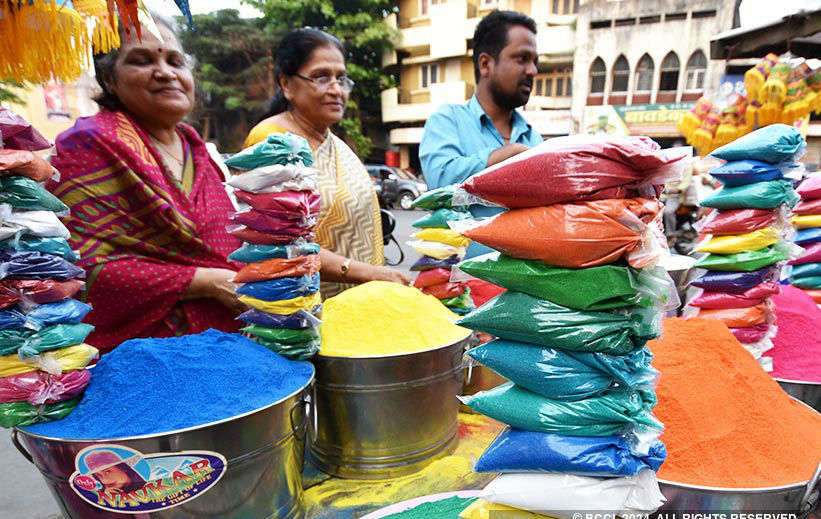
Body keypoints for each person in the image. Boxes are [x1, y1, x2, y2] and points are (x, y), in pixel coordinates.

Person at [49, 17, 245, 354]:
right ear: (109, 78)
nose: (166, 72)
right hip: (140, 358)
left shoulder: (195, 147)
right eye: (142, 60)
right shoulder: (88, 146)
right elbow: (77, 270)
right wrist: (209, 282)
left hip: (228, 344)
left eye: (175, 61)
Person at [245, 29, 410, 298]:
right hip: (300, 317)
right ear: (286, 84)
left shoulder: (338, 145)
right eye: (321, 77)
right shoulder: (271, 140)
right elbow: (282, 244)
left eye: (341, 78)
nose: (336, 89)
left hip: (358, 308)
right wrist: (368, 273)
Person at [419, 10, 542, 190]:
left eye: (535, 62)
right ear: (485, 65)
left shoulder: (534, 139)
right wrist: (511, 155)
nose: (533, 71)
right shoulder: (448, 121)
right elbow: (440, 180)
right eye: (522, 59)